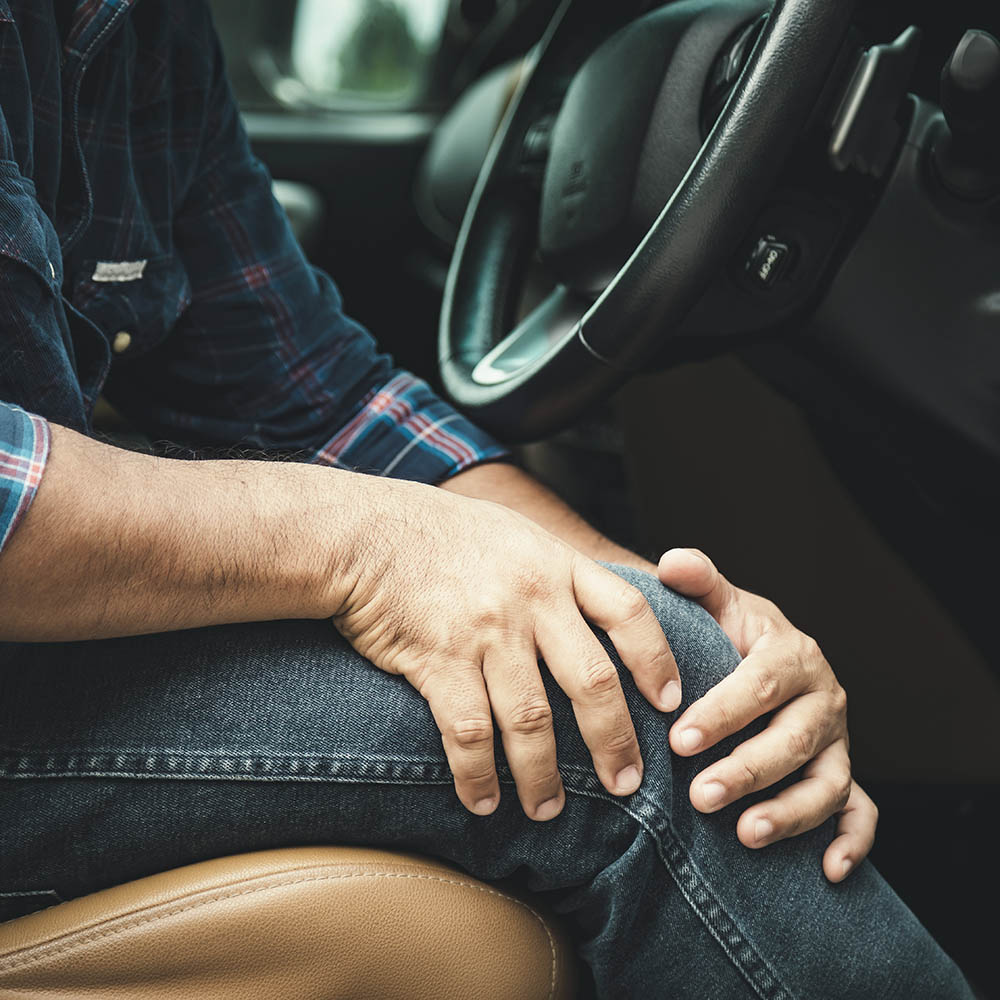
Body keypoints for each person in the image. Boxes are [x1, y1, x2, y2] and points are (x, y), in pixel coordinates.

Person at [0, 1, 973, 996]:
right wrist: (368, 547)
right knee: (608, 725)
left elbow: (318, 396)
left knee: (659, 669)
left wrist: (673, 619)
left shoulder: (141, 35)